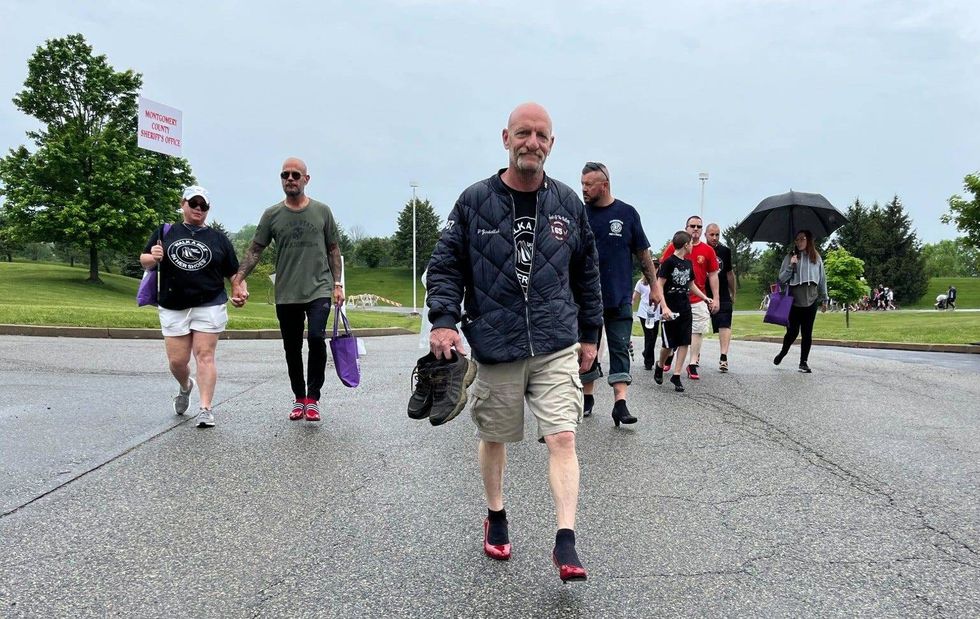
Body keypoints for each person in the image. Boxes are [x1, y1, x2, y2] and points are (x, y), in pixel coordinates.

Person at [423, 102, 602, 583]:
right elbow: (445, 267)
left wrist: (591, 335)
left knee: (563, 435)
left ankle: (566, 538)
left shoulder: (568, 204)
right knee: (495, 436)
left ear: (552, 144)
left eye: (542, 135)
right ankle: (496, 514)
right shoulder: (474, 201)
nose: (533, 143)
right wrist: (443, 321)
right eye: (524, 133)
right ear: (506, 139)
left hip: (555, 341)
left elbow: (586, 273)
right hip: (496, 342)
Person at [232, 158, 345, 422]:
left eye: (296, 174)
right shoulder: (272, 215)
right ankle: (299, 397)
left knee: (316, 338)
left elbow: (333, 250)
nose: (290, 178)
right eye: (285, 174)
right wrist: (238, 279)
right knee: (291, 348)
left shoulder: (322, 211)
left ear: (306, 179)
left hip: (319, 288)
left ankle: (313, 398)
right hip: (287, 292)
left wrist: (337, 284)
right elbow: (255, 250)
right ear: (281, 179)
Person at [139, 186, 240, 428]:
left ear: (208, 209)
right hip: (174, 304)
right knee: (177, 361)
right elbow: (144, 261)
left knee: (205, 355)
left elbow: (234, 271)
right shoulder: (166, 231)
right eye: (193, 203)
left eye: (203, 205)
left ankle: (205, 408)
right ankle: (186, 386)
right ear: (183, 203)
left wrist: (239, 289)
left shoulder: (218, 239)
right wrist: (154, 257)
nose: (198, 208)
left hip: (210, 302)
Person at [579, 162, 659, 425]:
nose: (584, 189)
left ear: (605, 184)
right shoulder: (580, 214)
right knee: (586, 348)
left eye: (589, 184)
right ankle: (587, 397)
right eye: (582, 184)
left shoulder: (627, 214)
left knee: (620, 347)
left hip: (619, 295)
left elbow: (643, 254)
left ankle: (620, 403)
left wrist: (655, 286)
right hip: (586, 298)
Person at [657, 215, 719, 381]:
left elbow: (705, 278)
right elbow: (660, 280)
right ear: (686, 229)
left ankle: (685, 368)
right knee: (670, 342)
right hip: (671, 303)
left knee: (691, 335)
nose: (696, 229)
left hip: (691, 302)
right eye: (693, 226)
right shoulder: (671, 255)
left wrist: (709, 298)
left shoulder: (705, 252)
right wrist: (662, 304)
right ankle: (662, 361)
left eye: (699, 226)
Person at [773, 229, 828, 373]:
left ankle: (803, 362)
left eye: (802, 239)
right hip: (794, 300)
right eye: (797, 240)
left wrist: (824, 298)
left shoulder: (816, 257)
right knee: (792, 332)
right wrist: (791, 265)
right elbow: (781, 279)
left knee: (807, 332)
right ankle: (783, 352)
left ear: (809, 240)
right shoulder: (790, 256)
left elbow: (822, 279)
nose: (799, 242)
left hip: (811, 298)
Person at [705, 224, 737, 372]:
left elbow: (730, 273)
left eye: (717, 234)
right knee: (698, 325)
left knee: (725, 323)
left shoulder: (725, 251)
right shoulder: (699, 250)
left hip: (722, 291)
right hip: (703, 292)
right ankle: (695, 355)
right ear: (706, 235)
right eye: (712, 234)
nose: (715, 238)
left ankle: (723, 356)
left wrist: (733, 292)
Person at [632, 265, 661, 374]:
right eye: (653, 266)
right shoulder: (641, 283)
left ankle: (646, 352)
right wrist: (631, 305)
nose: (655, 269)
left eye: (657, 267)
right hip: (644, 312)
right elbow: (635, 296)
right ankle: (649, 362)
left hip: (656, 312)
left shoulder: (659, 282)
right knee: (649, 336)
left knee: (653, 336)